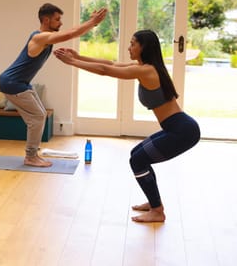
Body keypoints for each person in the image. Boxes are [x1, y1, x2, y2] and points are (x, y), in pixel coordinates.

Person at [54, 29, 200, 222]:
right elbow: (110, 64)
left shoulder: (146, 70)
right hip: (177, 127)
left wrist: (72, 62)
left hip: (182, 131)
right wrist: (79, 56)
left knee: (138, 160)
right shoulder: (145, 67)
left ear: (143, 47)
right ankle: (154, 203)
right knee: (137, 155)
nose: (129, 47)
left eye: (133, 44)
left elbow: (106, 71)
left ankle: (157, 211)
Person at [0, 3, 107, 167]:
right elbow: (70, 34)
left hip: (20, 83)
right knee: (37, 117)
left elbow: (71, 33)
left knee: (39, 116)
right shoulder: (39, 37)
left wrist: (92, 23)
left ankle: (33, 153)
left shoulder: (46, 39)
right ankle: (31, 156)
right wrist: (92, 22)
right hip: (12, 83)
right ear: (46, 19)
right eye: (57, 19)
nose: (60, 23)